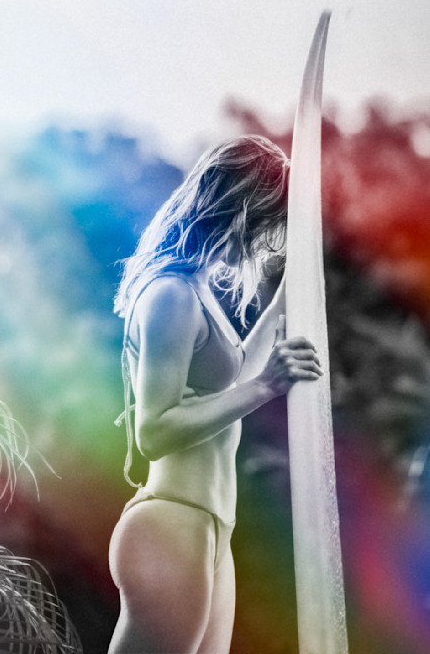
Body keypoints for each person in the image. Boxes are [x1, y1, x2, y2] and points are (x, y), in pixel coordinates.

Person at [108, 135, 323, 654]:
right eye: (266, 225)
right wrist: (265, 387)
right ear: (240, 208)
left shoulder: (197, 291)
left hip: (209, 528)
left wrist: (280, 308)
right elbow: (155, 430)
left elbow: (225, 383)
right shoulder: (170, 294)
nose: (265, 244)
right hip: (171, 523)